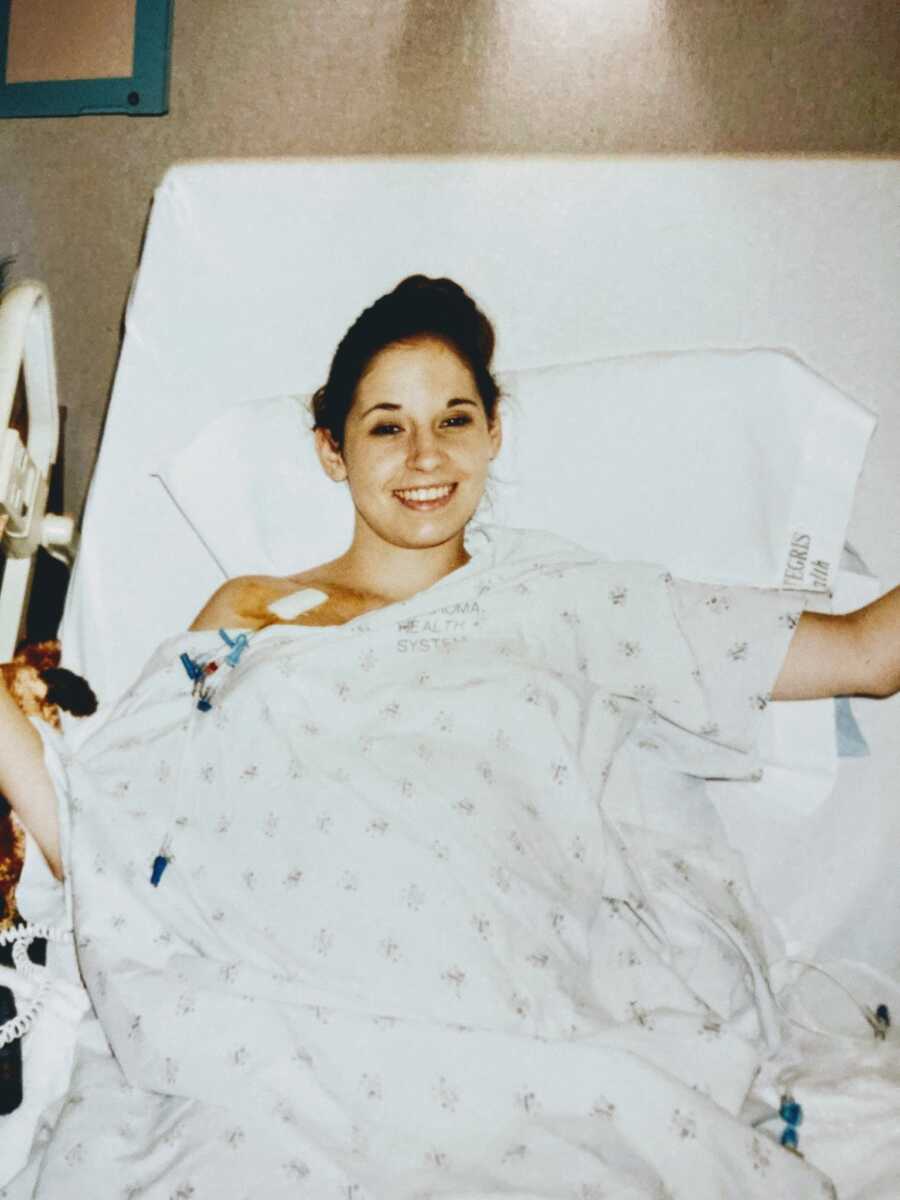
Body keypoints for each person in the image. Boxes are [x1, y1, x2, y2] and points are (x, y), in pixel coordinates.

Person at [1, 275, 899, 1199]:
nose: (424, 455)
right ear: (330, 450)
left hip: (505, 966)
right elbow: (114, 822)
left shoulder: (571, 597)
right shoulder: (251, 612)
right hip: (271, 979)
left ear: (494, 431)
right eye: (387, 426)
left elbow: (868, 654)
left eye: (455, 419)